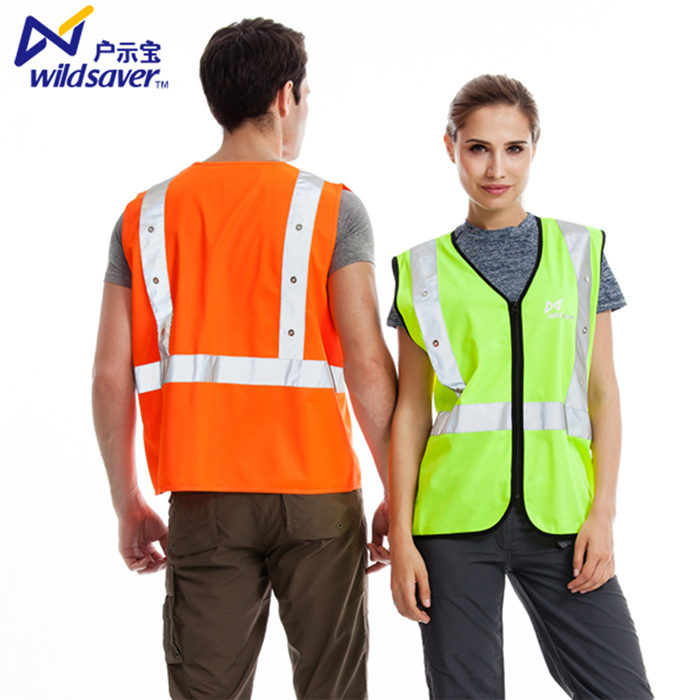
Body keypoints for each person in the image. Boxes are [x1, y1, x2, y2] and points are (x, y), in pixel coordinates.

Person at [92, 17, 396, 700]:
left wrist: (128, 502)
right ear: (286, 96)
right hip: (318, 494)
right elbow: (368, 366)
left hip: (204, 498)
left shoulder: (143, 218)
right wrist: (399, 495)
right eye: (306, 95)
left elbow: (110, 378)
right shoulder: (334, 210)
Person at [387, 74, 653, 699]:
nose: (496, 169)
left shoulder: (580, 252)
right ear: (450, 147)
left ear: (535, 147)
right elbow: (410, 413)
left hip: (563, 519)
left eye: (514, 149)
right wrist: (401, 539)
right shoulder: (419, 270)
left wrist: (603, 515)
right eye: (478, 148)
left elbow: (604, 394)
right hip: (453, 522)